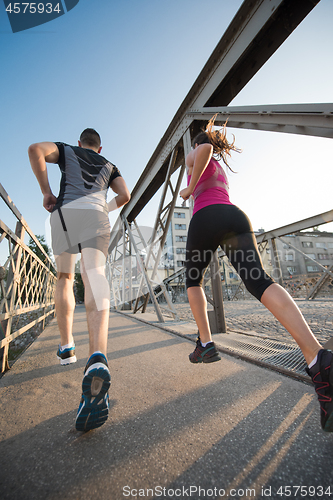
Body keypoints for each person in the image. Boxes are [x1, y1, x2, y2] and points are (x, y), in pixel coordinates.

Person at [179, 115, 333, 432]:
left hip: (205, 217)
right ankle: (318, 360)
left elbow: (204, 146)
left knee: (192, 280)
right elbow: (212, 152)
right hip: (235, 217)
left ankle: (205, 342)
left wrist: (189, 187)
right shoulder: (219, 166)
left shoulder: (197, 149)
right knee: (259, 281)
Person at [28, 128, 130, 431]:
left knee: (65, 276)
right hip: (96, 216)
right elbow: (124, 195)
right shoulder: (109, 165)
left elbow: (35, 149)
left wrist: (47, 192)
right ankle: (98, 356)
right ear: (99, 148)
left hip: (66, 213)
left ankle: (67, 346)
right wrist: (104, 207)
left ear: (80, 143)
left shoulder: (66, 151)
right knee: (94, 273)